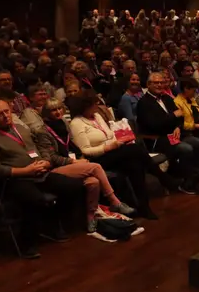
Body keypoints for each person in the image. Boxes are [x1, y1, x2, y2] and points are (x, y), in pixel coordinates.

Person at [0, 99, 88, 259]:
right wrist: (25, 171)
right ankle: (26, 242)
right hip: (14, 180)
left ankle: (53, 224)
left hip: (40, 174)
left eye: (6, 111)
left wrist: (46, 162)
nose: (5, 116)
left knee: (75, 186)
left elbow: (39, 150)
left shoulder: (21, 129)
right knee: (34, 200)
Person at [35, 98, 139, 230]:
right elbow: (51, 158)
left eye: (59, 108)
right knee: (96, 167)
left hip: (72, 164)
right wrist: (74, 161)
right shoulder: (42, 132)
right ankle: (114, 201)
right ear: (46, 113)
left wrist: (80, 158)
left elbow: (73, 147)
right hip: (56, 169)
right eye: (53, 110)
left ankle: (90, 217)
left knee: (93, 182)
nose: (58, 112)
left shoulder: (63, 124)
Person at [68, 90, 160, 214]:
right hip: (97, 159)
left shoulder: (97, 116)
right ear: (86, 105)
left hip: (113, 153)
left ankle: (144, 206)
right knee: (135, 149)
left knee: (135, 164)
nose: (97, 105)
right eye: (94, 103)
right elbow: (85, 150)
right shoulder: (76, 123)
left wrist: (118, 142)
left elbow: (110, 136)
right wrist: (107, 147)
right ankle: (161, 176)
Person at [136, 73, 199, 194]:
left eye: (161, 82)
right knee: (186, 149)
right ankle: (187, 183)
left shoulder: (166, 98)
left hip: (175, 135)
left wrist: (177, 127)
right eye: (156, 83)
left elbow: (180, 117)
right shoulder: (143, 103)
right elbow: (153, 124)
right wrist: (172, 116)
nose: (159, 85)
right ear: (148, 84)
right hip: (158, 139)